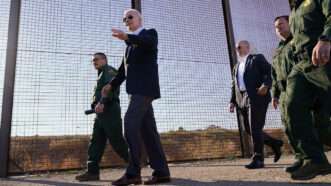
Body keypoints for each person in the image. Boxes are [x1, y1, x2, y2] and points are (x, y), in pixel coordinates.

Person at [95, 9, 170, 185]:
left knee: (129, 123)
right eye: (124, 19)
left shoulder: (149, 34)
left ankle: (133, 172)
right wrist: (111, 84)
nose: (126, 20)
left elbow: (147, 43)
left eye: (130, 17)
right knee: (148, 131)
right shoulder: (128, 47)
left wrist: (127, 37)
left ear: (139, 19)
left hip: (145, 90)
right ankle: (162, 172)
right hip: (134, 92)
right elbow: (122, 71)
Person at [284, 0, 331, 180]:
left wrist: (326, 38)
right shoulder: (293, 11)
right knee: (293, 105)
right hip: (302, 64)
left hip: (323, 57)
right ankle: (315, 159)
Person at [229, 40, 283, 169]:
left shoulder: (257, 58)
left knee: (255, 128)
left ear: (247, 47)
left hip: (257, 95)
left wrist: (266, 85)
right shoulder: (236, 66)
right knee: (248, 129)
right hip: (240, 99)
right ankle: (275, 143)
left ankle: (258, 159)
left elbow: (269, 71)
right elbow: (234, 85)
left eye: (239, 47)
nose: (237, 49)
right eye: (236, 48)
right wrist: (232, 101)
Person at [75, 53, 129, 181]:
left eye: (96, 59)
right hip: (100, 112)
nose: (94, 62)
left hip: (110, 110)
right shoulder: (100, 74)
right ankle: (92, 171)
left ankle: (135, 163)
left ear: (104, 60)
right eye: (92, 61)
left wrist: (102, 103)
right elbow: (99, 93)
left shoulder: (109, 70)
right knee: (96, 141)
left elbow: (110, 89)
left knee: (116, 140)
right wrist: (96, 105)